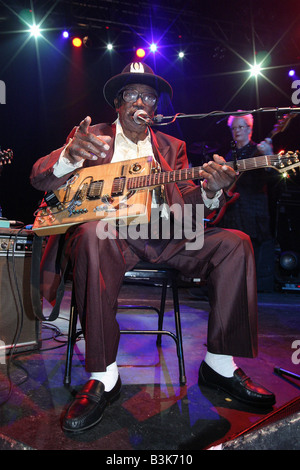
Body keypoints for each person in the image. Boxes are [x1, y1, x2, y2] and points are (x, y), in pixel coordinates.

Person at [30, 62, 275, 433]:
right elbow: (40, 177)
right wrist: (69, 155)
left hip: (166, 232)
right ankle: (103, 377)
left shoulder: (171, 147)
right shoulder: (92, 136)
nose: (140, 101)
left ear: (156, 108)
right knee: (94, 234)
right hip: (109, 235)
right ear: (118, 102)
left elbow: (186, 204)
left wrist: (211, 191)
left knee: (235, 244)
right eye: (132, 95)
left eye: (148, 97)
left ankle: (220, 366)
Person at [217, 112, 275, 290]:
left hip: (252, 208)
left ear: (250, 129)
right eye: (234, 128)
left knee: (251, 249)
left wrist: (269, 155)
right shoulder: (230, 154)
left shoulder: (258, 150)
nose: (237, 131)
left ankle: (250, 287)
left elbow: (272, 176)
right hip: (232, 210)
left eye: (241, 127)